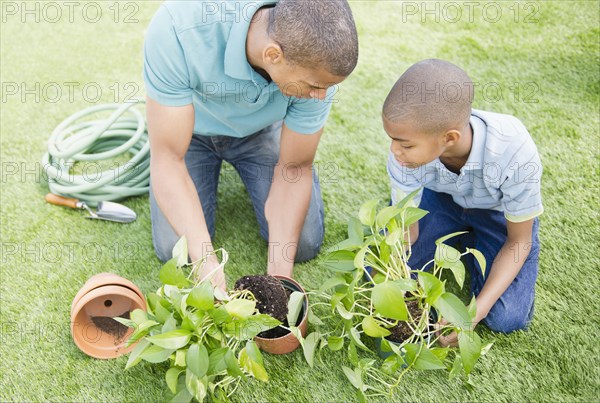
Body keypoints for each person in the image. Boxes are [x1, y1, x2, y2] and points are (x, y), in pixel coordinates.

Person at [143, 0, 359, 289]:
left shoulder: (318, 69)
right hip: (190, 132)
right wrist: (207, 264)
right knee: (176, 251)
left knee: (303, 244)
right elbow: (169, 160)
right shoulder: (176, 28)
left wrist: (279, 280)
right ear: (273, 55)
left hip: (259, 130)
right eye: (313, 87)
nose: (321, 96)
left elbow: (295, 167)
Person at [383, 59, 543, 345]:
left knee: (506, 317)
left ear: (449, 138)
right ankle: (467, 243)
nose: (395, 152)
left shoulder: (514, 151)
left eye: (405, 145)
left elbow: (518, 241)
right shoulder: (405, 154)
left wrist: (474, 313)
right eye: (393, 140)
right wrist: (399, 281)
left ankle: (473, 243)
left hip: (497, 213)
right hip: (441, 200)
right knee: (378, 279)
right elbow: (407, 233)